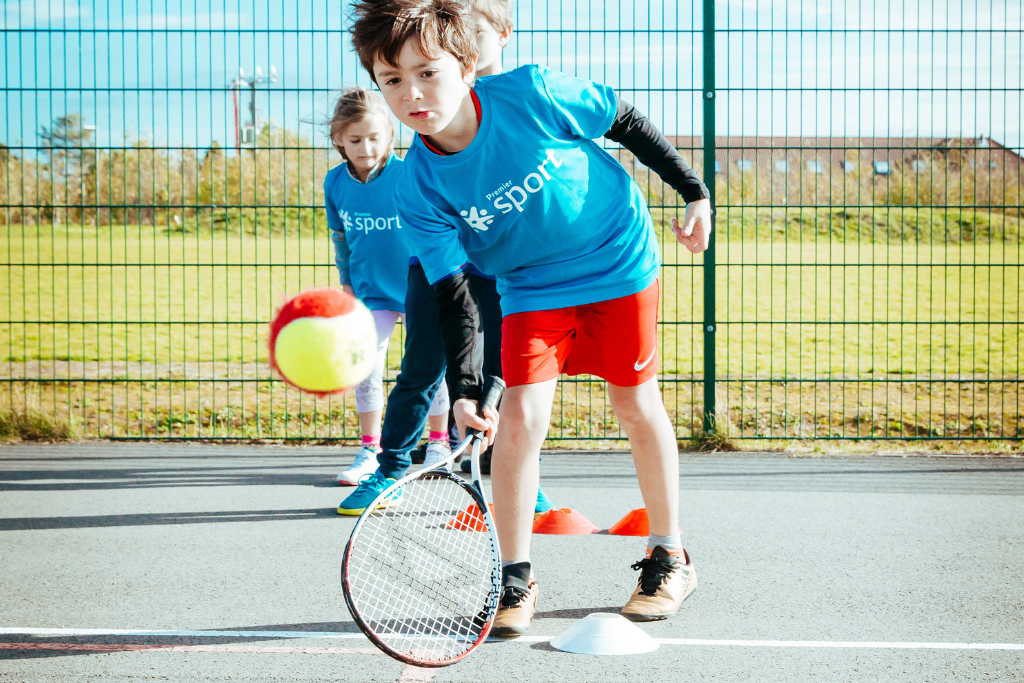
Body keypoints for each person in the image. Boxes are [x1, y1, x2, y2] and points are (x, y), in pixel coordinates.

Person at [348, 0, 713, 637]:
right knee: (517, 417)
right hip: (529, 287)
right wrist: (464, 391)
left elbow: (623, 119)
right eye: (392, 80)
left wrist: (694, 193)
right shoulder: (417, 187)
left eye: (427, 72)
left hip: (616, 260)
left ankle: (668, 555)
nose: (412, 93)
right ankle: (513, 576)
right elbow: (455, 291)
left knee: (634, 403)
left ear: (466, 65)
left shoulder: (533, 93)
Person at [338, 0, 555, 518]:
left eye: (478, 31)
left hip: (498, 266)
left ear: (500, 36)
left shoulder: (517, 104)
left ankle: (515, 475)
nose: (471, 41)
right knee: (421, 369)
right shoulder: (433, 96)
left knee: (511, 374)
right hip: (437, 264)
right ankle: (390, 469)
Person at [323, 86, 452, 487]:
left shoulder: (407, 173)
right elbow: (341, 238)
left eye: (375, 137)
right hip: (370, 294)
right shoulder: (335, 183)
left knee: (430, 372)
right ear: (339, 140)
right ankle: (370, 448)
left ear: (390, 137)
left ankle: (438, 443)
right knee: (367, 369)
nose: (365, 147)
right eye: (355, 139)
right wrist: (347, 285)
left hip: (420, 290)